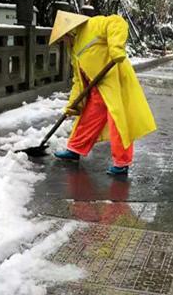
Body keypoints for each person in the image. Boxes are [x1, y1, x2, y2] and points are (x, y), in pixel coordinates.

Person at [49, 10, 157, 175]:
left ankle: (121, 163)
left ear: (69, 30)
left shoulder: (93, 25)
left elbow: (117, 22)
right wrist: (73, 104)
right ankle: (75, 150)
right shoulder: (74, 49)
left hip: (115, 84)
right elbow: (79, 81)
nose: (63, 41)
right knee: (87, 119)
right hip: (98, 89)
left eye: (63, 37)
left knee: (118, 124)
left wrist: (116, 48)